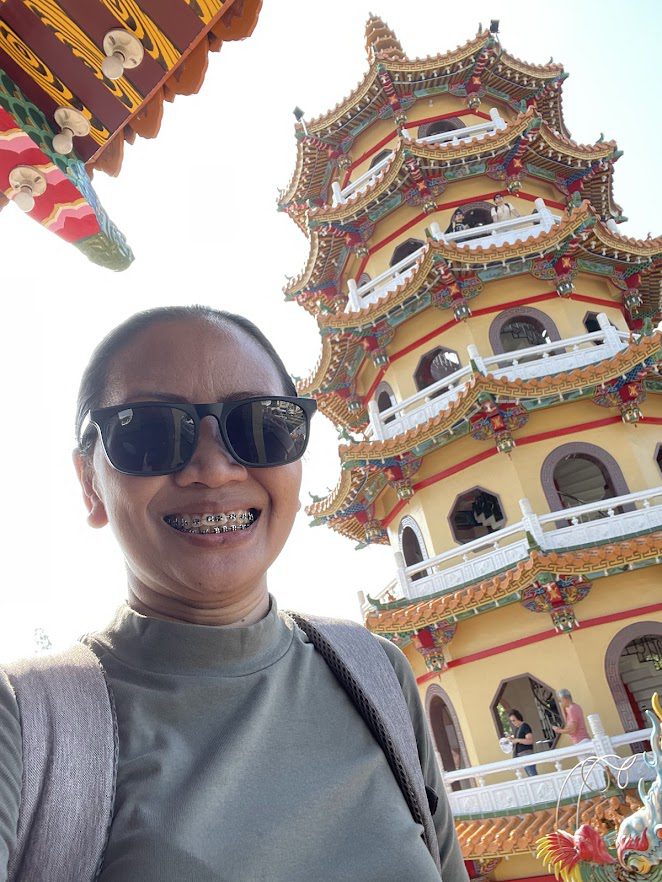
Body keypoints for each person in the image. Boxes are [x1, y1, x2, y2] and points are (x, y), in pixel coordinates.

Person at [0, 306, 467, 882]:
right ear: (89, 483)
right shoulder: (21, 719)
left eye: (261, 426)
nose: (215, 469)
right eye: (149, 433)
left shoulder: (375, 675)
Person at [508, 710, 537, 777]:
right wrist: (512, 740)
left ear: (518, 718)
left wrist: (517, 740)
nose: (513, 722)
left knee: (533, 775)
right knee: (530, 775)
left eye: (514, 720)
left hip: (527, 755)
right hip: (522, 756)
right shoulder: (517, 729)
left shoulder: (525, 726)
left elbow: (530, 740)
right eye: (511, 721)